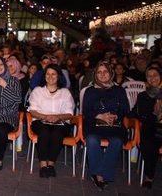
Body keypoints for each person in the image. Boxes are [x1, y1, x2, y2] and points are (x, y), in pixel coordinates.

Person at [82, 61, 130, 190]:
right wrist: (99, 116)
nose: (102, 74)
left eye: (105, 71)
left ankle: (103, 172)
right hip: (94, 124)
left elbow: (126, 108)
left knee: (117, 141)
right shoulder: (90, 91)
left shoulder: (119, 90)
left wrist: (115, 116)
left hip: (114, 125)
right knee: (92, 140)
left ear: (110, 73)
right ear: (95, 75)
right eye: (99, 72)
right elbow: (85, 111)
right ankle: (99, 175)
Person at [27, 64, 75, 178]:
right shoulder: (37, 91)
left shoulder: (65, 92)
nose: (50, 76)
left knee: (57, 134)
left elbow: (69, 113)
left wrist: (57, 117)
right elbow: (32, 111)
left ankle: (51, 164)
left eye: (53, 74)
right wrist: (45, 117)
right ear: (44, 76)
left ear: (58, 76)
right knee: (44, 132)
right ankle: (43, 164)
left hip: (60, 122)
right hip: (40, 120)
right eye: (48, 74)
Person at [131, 66, 162, 189]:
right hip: (152, 127)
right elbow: (137, 114)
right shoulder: (144, 95)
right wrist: (153, 113)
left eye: (155, 75)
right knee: (148, 143)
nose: (152, 78)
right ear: (146, 79)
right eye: (149, 76)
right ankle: (149, 176)